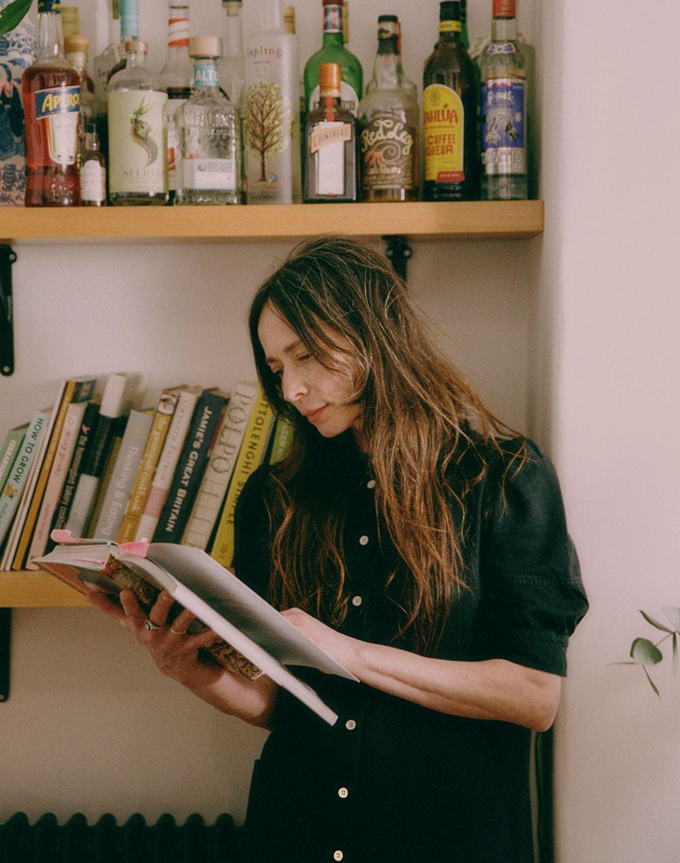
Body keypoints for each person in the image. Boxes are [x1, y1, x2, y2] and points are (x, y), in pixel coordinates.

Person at [88, 236, 588, 863]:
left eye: (307, 357)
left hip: (448, 836)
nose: (292, 388)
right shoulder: (273, 499)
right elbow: (278, 703)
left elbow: (533, 696)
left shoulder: (503, 480)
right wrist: (187, 668)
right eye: (277, 369)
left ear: (377, 336)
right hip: (296, 832)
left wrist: (347, 651)